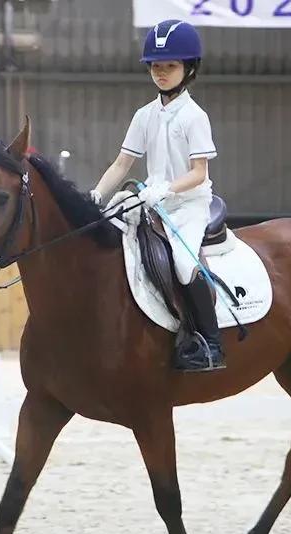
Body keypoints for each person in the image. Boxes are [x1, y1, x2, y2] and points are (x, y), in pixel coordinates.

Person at [90, 19, 225, 372]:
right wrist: (96, 196)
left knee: (182, 264)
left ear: (189, 68)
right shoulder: (144, 115)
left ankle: (211, 343)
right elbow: (122, 164)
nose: (161, 73)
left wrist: (164, 188)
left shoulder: (195, 117)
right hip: (151, 202)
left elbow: (199, 174)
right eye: (155, 66)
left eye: (170, 66)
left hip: (189, 205)